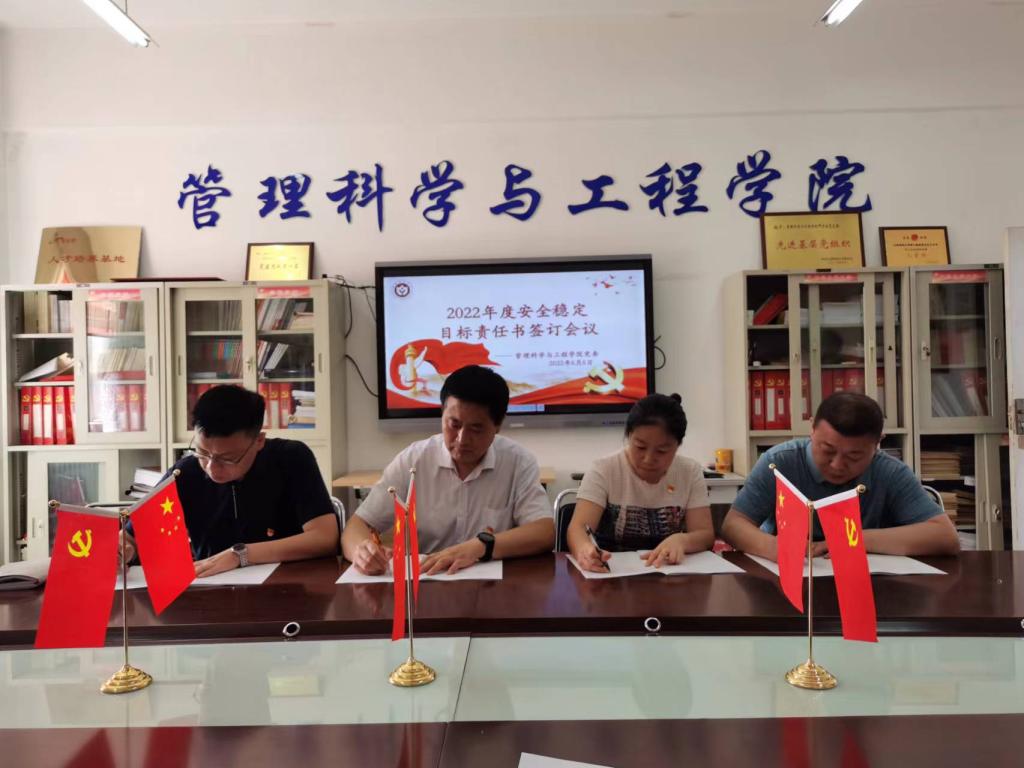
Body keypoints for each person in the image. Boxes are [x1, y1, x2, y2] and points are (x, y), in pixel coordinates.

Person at [342, 365, 554, 575]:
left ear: (497, 426)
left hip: (493, 585)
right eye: (454, 424)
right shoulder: (414, 460)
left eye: (476, 429)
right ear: (442, 415)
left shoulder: (517, 462)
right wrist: (362, 551)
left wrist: (481, 546)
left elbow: (544, 531)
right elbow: (357, 525)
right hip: (427, 582)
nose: (462, 439)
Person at [122, 385, 339, 577]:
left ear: (259, 441)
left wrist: (241, 554)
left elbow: (325, 538)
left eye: (228, 458)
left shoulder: (291, 458)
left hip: (289, 587)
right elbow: (132, 536)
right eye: (202, 452)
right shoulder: (186, 472)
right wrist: (124, 549)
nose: (212, 467)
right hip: (211, 593)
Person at [721, 392, 960, 559]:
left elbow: (945, 537)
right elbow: (734, 525)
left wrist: (851, 540)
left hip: (867, 585)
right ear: (812, 428)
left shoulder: (889, 472)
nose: (837, 465)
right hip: (789, 579)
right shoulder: (779, 463)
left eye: (854, 456)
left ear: (878, 443)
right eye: (827, 450)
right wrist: (773, 547)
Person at [567, 393, 714, 571]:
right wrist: (585, 550)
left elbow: (705, 535)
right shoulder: (604, 469)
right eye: (640, 447)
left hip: (669, 573)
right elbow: (578, 528)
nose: (648, 459)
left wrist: (682, 540)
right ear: (629, 436)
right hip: (612, 574)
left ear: (678, 445)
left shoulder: (689, 471)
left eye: (662, 451)